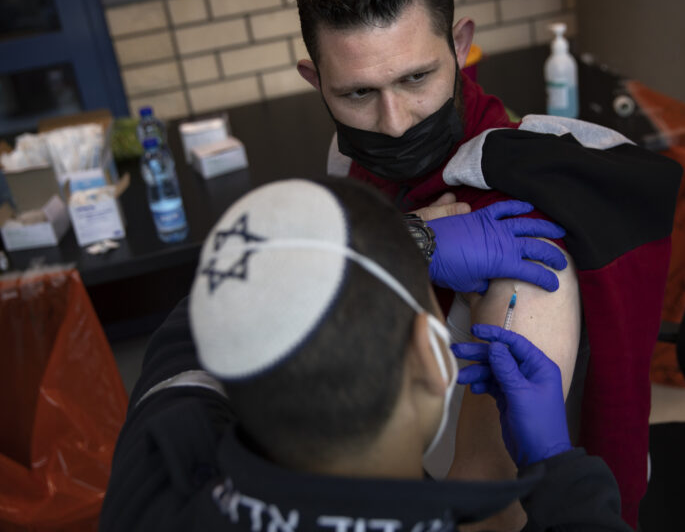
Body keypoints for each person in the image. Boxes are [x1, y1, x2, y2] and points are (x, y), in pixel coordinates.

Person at [294, 0, 683, 528]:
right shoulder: (348, 159)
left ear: (461, 46)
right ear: (315, 81)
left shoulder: (520, 229)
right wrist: (402, 241)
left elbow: (489, 498)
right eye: (357, 94)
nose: (393, 123)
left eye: (417, 78)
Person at [99, 177, 630, 531]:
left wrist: (406, 242)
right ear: (434, 357)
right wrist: (557, 468)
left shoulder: (158, 468)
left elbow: (206, 312)